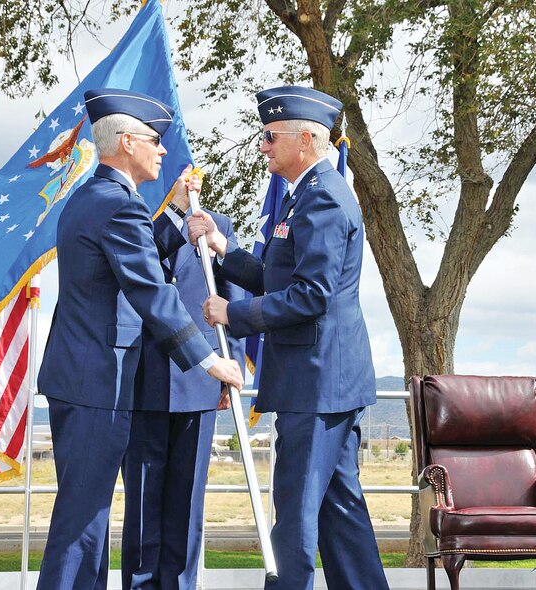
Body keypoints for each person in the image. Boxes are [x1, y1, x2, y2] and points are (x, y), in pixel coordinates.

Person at [36, 88, 244, 590]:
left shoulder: (94, 197)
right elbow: (154, 294)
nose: (164, 150)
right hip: (96, 384)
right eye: (155, 140)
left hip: (85, 380)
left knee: (85, 520)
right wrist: (210, 361)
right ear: (127, 142)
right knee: (83, 523)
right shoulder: (119, 206)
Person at [188, 85, 389, 590]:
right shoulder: (306, 194)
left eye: (271, 136)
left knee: (296, 512)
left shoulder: (322, 198)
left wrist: (232, 313)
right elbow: (278, 276)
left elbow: (311, 295)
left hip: (318, 382)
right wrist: (223, 249)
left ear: (305, 139)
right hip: (323, 381)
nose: (263, 146)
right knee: (340, 510)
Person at [121, 192, 246, 590]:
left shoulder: (218, 226)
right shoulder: (140, 226)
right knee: (142, 504)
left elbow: (234, 296)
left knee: (187, 503)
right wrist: (173, 218)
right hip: (145, 379)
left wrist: (233, 367)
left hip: (201, 377)